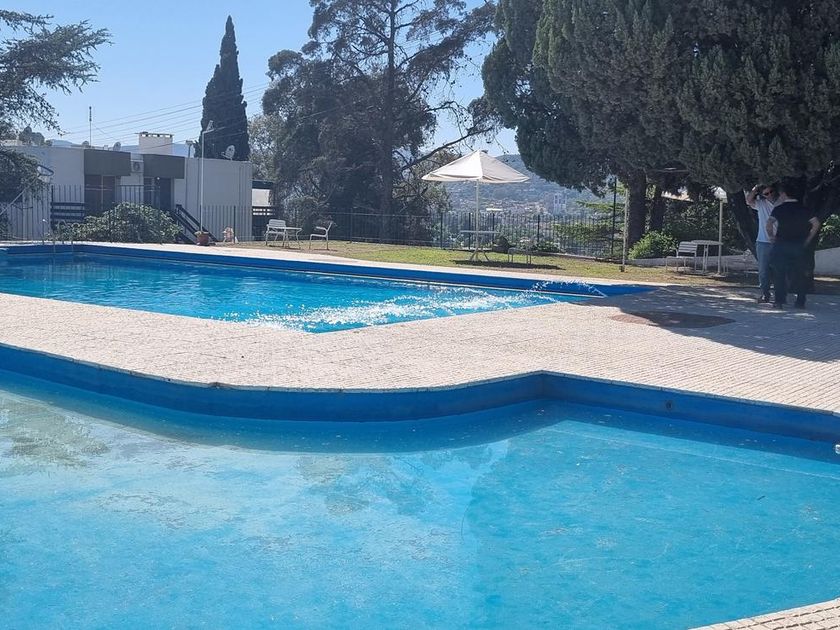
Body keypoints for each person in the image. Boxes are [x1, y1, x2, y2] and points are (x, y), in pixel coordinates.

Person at [766, 182, 820, 309]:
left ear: (784, 194)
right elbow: (816, 223)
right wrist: (808, 239)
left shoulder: (779, 209)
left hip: (781, 245)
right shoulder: (804, 209)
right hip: (799, 245)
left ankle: (779, 301)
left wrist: (772, 237)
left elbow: (769, 224)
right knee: (800, 273)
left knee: (779, 274)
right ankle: (800, 301)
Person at [745, 183, 778, 302]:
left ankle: (779, 294)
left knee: (779, 269)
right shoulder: (761, 204)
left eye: (771, 192)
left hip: (778, 242)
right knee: (763, 270)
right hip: (763, 241)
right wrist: (755, 188)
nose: (770, 195)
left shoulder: (780, 204)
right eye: (766, 194)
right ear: (763, 195)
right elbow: (749, 200)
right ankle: (765, 293)